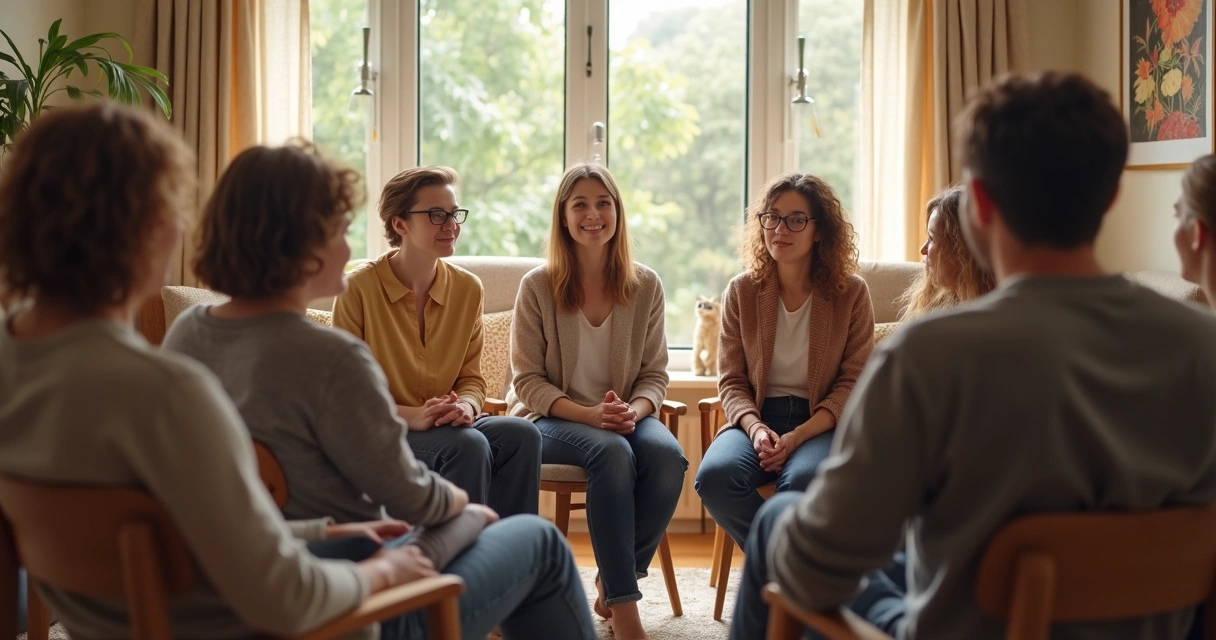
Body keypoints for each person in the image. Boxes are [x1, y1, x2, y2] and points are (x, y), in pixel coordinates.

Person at [732, 72, 1216, 640]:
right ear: (1110, 195)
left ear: (980, 204)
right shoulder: (1200, 346)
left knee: (777, 525)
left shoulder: (929, 356)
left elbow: (820, 566)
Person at [162, 141, 597, 640]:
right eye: (339, 230)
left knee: (507, 442)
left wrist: (464, 407)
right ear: (298, 240)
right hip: (355, 605)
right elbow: (411, 495)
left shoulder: (187, 334)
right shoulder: (331, 357)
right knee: (535, 538)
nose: (349, 248)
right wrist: (466, 509)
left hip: (263, 570)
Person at [506, 163, 687, 640]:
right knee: (610, 452)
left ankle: (614, 582)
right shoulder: (537, 286)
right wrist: (588, 415)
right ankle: (627, 613)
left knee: (669, 458)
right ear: (563, 217)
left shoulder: (645, 284)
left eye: (603, 203)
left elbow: (654, 375)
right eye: (580, 204)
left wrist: (635, 411)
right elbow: (527, 381)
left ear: (618, 213)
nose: (593, 214)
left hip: (623, 416)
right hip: (550, 419)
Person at [332, 166, 541, 519]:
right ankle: (464, 564)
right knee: (469, 445)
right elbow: (345, 396)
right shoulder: (358, 289)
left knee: (522, 435)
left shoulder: (468, 288)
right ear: (400, 224)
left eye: (454, 214)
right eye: (436, 215)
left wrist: (466, 407)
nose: (451, 225)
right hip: (382, 431)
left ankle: (513, 557)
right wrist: (414, 417)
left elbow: (471, 379)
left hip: (447, 425)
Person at [694, 172, 874, 551]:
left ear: (820, 231)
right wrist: (757, 429)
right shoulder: (742, 291)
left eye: (796, 219)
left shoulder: (851, 293)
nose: (780, 229)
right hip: (757, 418)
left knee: (803, 482)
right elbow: (732, 381)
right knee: (714, 478)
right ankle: (785, 565)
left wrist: (799, 435)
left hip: (820, 423)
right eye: (771, 217)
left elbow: (852, 382)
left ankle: (778, 573)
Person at [897, 184, 996, 319]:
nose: (923, 249)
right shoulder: (934, 308)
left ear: (961, 250)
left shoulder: (996, 316)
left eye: (931, 238)